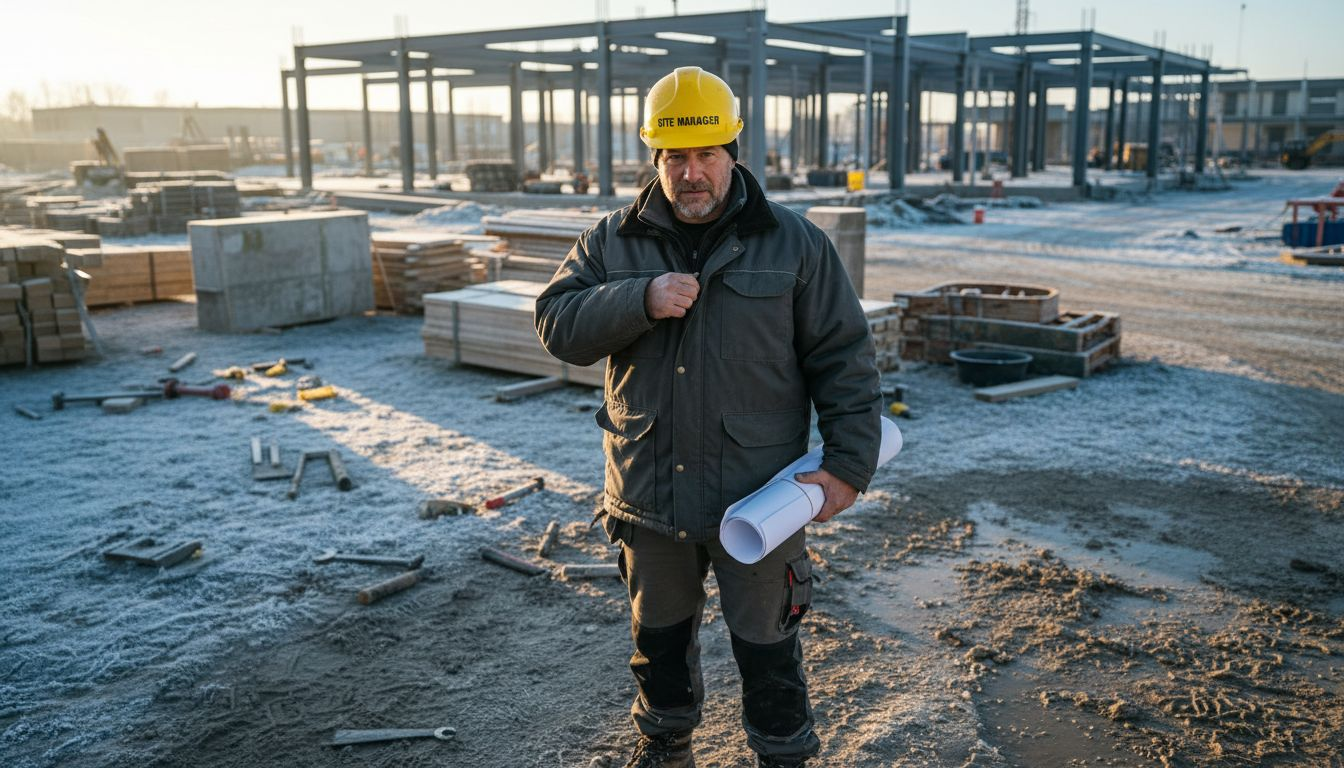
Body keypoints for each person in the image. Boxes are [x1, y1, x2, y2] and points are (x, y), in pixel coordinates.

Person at [534, 66, 882, 768]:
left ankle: (783, 754)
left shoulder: (796, 244)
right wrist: (638, 299)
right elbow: (556, 325)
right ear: (656, 158)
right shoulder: (610, 242)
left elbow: (844, 357)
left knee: (769, 647)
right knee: (657, 640)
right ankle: (665, 747)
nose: (693, 173)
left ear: (733, 151)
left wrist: (847, 466)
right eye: (676, 158)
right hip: (648, 491)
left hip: (758, 497)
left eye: (707, 155)